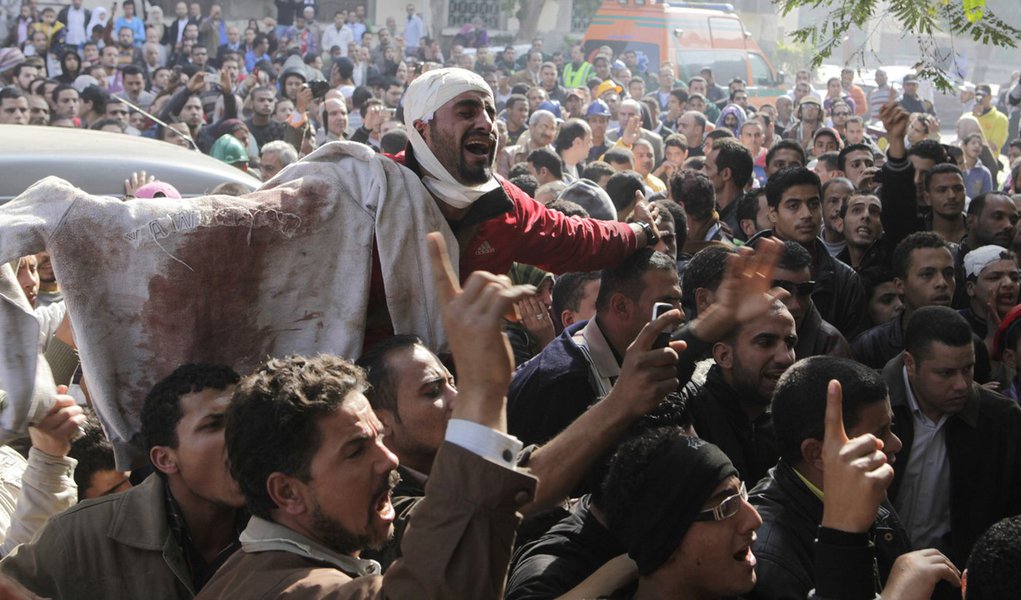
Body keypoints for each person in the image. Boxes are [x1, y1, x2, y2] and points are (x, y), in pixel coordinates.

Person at [197, 233, 537, 599]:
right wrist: (484, 392)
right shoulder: (298, 590)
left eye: (378, 437)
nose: (389, 458)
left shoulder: (257, 571)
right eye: (356, 450)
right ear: (287, 492)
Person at [1, 364, 247, 599]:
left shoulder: (281, 518)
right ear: (164, 459)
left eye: (241, 420)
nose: (238, 436)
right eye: (213, 425)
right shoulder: (76, 538)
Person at [750, 356, 949, 600]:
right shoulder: (769, 557)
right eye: (879, 434)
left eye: (891, 428)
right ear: (817, 454)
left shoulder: (863, 485)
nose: (896, 444)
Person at [884, 306, 1021, 573]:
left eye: (968, 369)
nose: (961, 384)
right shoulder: (872, 410)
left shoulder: (1002, 422)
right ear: (910, 363)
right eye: (946, 373)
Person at [684, 298, 794, 485]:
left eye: (790, 343)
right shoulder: (690, 410)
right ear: (724, 356)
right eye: (766, 342)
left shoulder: (791, 415)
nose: (785, 357)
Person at [750, 167, 867, 338]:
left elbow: (852, 350)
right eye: (793, 206)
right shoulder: (741, 268)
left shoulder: (845, 280)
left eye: (813, 204)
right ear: (773, 214)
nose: (807, 214)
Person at [772, 241, 851, 360]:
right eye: (785, 290)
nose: (795, 305)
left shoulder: (830, 344)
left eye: (804, 290)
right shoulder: (738, 330)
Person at [703, 138, 753, 235]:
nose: (701, 172)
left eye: (707, 168)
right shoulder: (704, 209)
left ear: (726, 174)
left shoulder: (749, 218)